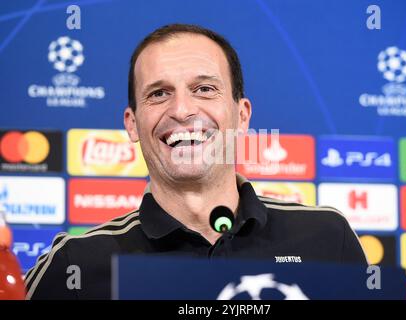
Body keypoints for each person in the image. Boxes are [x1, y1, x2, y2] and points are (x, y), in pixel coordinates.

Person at [25, 24, 367, 300]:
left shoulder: (327, 237)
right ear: (132, 123)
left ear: (242, 115)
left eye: (204, 89)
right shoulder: (76, 263)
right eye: (159, 93)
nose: (182, 110)